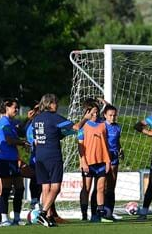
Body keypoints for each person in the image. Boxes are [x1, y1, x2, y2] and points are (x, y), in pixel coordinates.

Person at [32, 93, 90, 227]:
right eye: (55, 103)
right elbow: (76, 127)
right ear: (50, 104)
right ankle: (43, 213)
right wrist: (85, 118)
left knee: (46, 187)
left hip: (39, 156)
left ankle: (47, 216)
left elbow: (44, 137)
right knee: (56, 187)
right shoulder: (53, 117)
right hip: (52, 156)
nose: (57, 105)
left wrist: (63, 134)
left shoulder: (37, 119)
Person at [0, 98, 27, 226]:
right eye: (15, 107)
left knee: (20, 188)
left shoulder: (10, 123)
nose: (16, 110)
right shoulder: (2, 123)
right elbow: (7, 140)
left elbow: (13, 139)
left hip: (13, 160)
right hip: (5, 160)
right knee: (5, 189)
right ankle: (3, 219)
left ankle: (16, 218)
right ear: (7, 108)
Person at [77, 100, 110, 222]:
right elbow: (80, 146)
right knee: (86, 189)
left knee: (101, 188)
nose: (95, 115)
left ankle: (100, 214)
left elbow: (105, 144)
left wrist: (107, 160)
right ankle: (84, 215)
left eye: (97, 112)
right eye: (93, 113)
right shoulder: (83, 126)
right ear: (87, 113)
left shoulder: (103, 125)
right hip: (88, 163)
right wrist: (83, 162)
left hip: (101, 161)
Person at [104, 103, 123, 221]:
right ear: (105, 115)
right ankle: (99, 211)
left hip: (114, 158)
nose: (112, 117)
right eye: (110, 115)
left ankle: (109, 211)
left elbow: (117, 142)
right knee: (102, 186)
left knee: (111, 186)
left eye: (114, 115)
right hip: (104, 158)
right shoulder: (102, 126)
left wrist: (120, 149)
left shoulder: (117, 127)